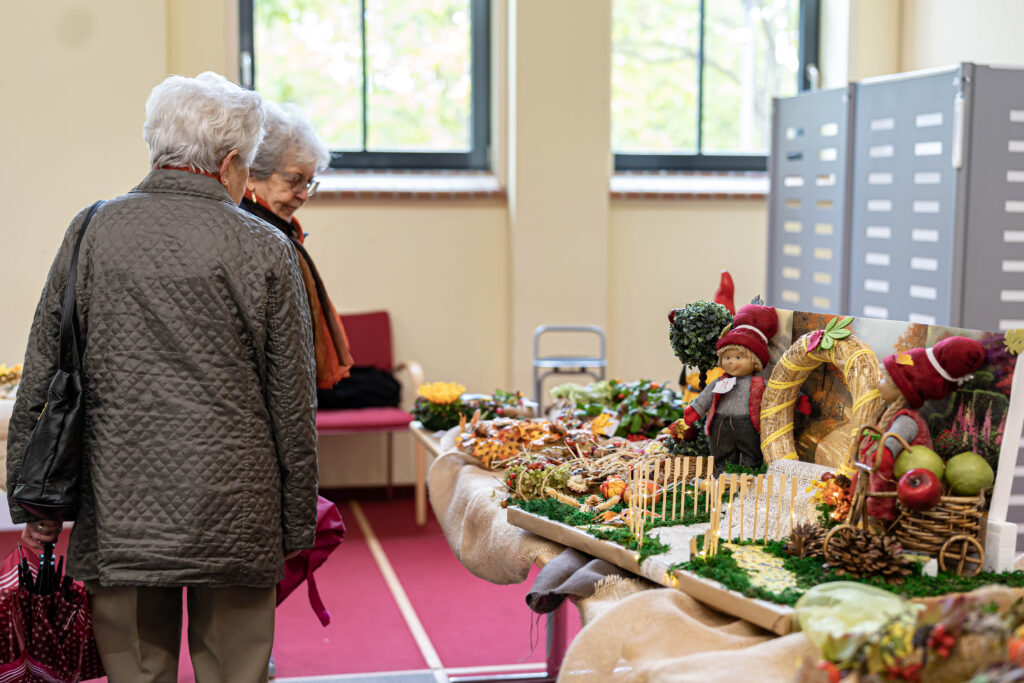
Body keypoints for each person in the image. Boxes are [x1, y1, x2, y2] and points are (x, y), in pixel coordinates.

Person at [6, 72, 319, 682]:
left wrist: (32, 497)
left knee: (138, 673)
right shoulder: (266, 247)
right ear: (230, 163)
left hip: (119, 505)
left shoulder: (91, 229)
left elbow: (43, 368)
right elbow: (291, 401)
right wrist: (296, 518)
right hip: (238, 507)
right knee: (237, 672)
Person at [241, 101, 354, 391]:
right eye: (294, 180)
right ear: (252, 175)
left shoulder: (281, 230)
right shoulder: (251, 235)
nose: (303, 195)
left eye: (309, 182)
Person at [860, 335, 986, 521]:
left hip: (900, 490)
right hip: (892, 483)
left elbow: (885, 457)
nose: (879, 385)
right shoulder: (894, 416)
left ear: (903, 389)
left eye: (885, 380)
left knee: (873, 519)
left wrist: (874, 489)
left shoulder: (906, 422)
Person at [680, 304, 800, 470]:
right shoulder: (720, 383)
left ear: (755, 360)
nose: (731, 362)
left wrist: (799, 400)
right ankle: (722, 476)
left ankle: (749, 475)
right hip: (720, 425)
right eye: (727, 357)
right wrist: (693, 413)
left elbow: (780, 392)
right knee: (721, 452)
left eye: (738, 357)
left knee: (751, 453)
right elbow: (704, 399)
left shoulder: (759, 383)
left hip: (748, 424)